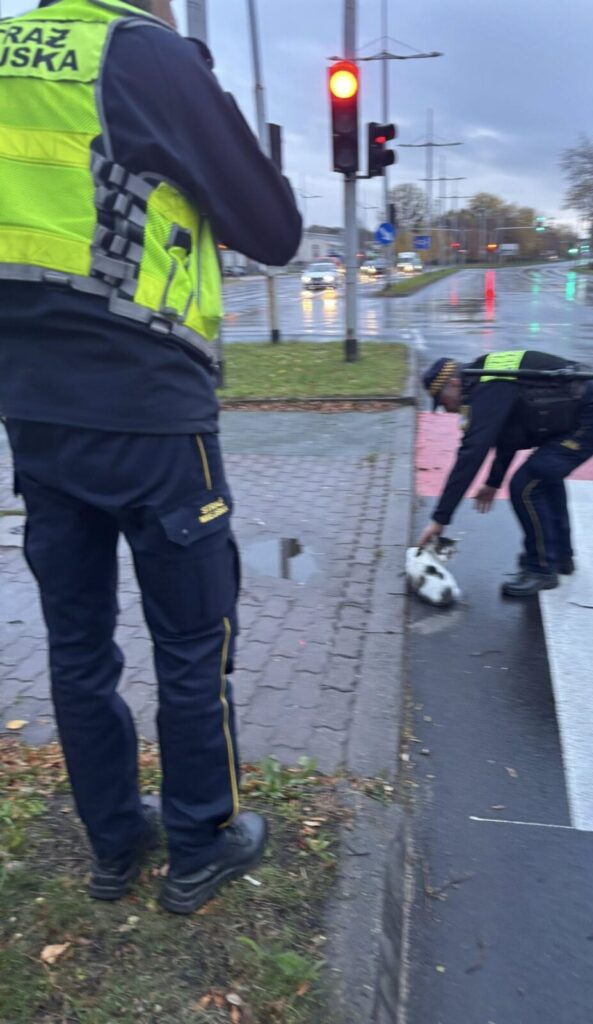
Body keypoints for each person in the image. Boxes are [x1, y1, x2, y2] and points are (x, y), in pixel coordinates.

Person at [0, 0, 302, 914]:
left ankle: (113, 845)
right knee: (193, 641)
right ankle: (202, 842)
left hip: (34, 417)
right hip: (153, 411)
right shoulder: (140, 54)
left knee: (77, 644)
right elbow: (275, 230)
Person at [417, 351, 593, 597]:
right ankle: (560, 556)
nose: (447, 409)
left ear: (453, 383)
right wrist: (493, 481)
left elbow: (472, 453)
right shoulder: (485, 378)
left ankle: (540, 568)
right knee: (544, 475)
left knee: (527, 484)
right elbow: (508, 434)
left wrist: (440, 519)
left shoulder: (486, 389)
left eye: (443, 401)